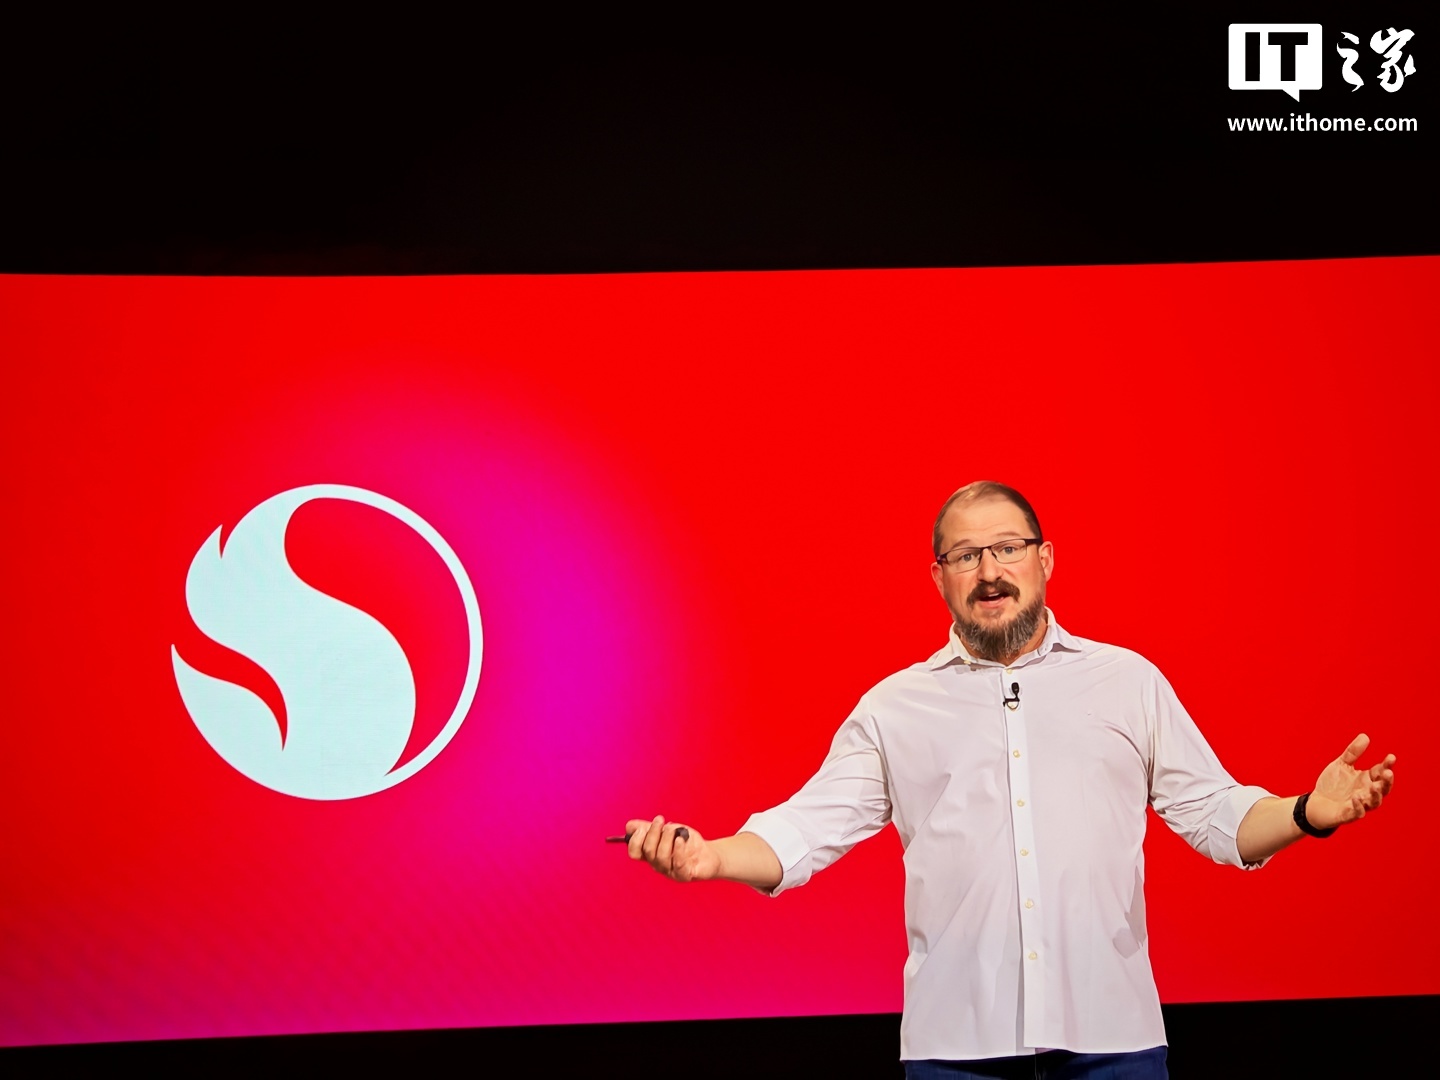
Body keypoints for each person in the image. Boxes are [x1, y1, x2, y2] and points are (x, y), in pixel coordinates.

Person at [624, 481, 1396, 1079]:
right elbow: (804, 829)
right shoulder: (895, 707)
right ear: (938, 577)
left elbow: (1217, 816)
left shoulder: (1126, 681)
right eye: (966, 556)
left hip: (1113, 1039)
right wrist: (710, 857)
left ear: (1045, 559)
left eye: (1007, 549)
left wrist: (1307, 812)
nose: (989, 572)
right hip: (957, 1048)